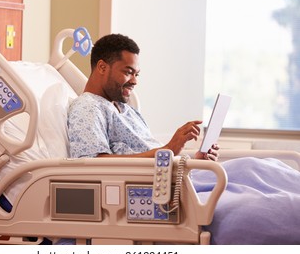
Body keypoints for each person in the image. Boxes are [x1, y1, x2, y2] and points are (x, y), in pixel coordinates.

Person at [67, 33, 219, 160]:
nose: (134, 81)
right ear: (102, 67)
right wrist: (168, 150)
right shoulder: (87, 107)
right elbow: (92, 163)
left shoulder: (127, 110)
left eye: (136, 74)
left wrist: (196, 161)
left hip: (174, 179)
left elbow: (149, 150)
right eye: (128, 72)